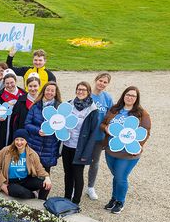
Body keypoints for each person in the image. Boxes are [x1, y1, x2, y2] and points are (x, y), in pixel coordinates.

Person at [100, 86, 151, 214]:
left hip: (129, 153)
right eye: (128, 95)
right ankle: (114, 198)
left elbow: (146, 132)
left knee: (120, 176)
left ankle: (120, 202)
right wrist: (105, 128)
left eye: (133, 96)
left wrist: (138, 146)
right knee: (116, 176)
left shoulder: (142, 114)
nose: (130, 97)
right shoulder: (115, 109)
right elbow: (103, 123)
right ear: (123, 95)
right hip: (111, 149)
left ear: (136, 98)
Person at [61, 81, 100, 205]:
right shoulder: (69, 105)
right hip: (67, 145)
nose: (80, 91)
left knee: (78, 175)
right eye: (79, 89)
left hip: (80, 148)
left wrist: (86, 153)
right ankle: (67, 198)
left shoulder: (93, 110)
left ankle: (75, 202)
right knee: (68, 173)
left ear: (88, 92)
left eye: (83, 90)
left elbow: (93, 134)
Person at [0, 129, 52, 199]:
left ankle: (41, 201)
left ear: (26, 141)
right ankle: (32, 196)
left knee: (46, 185)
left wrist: (47, 177)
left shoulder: (32, 153)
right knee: (22, 192)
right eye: (17, 140)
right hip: (10, 182)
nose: (19, 142)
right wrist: (2, 184)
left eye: (22, 140)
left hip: (25, 180)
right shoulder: (5, 151)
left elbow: (39, 168)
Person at [86, 72, 113, 200]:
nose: (102, 83)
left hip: (99, 136)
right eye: (100, 81)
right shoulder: (87, 94)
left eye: (105, 82)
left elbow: (111, 116)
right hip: (85, 136)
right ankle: (75, 186)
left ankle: (90, 187)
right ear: (96, 80)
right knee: (79, 161)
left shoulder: (107, 98)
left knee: (94, 162)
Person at [24, 82, 62, 171]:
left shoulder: (59, 108)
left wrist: (52, 131)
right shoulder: (35, 106)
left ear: (55, 93)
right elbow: (27, 124)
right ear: (44, 91)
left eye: (52, 91)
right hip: (34, 144)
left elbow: (62, 127)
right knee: (31, 172)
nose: (49, 92)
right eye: (47, 90)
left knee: (45, 173)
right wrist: (38, 130)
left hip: (49, 146)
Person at [0, 72, 25, 164]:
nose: (9, 85)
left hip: (17, 126)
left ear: (16, 81)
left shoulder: (23, 95)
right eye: (7, 83)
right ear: (4, 84)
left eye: (12, 82)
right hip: (2, 127)